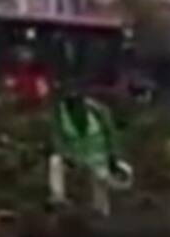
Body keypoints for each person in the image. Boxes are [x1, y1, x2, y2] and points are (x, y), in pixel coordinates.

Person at [48, 84, 130, 217]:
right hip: (76, 156)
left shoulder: (98, 110)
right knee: (55, 161)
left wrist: (113, 156)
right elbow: (58, 138)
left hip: (99, 156)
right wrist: (66, 154)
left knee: (102, 179)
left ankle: (101, 210)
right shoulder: (60, 113)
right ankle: (58, 197)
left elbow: (111, 134)